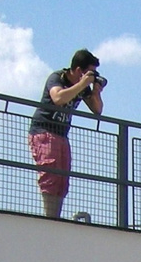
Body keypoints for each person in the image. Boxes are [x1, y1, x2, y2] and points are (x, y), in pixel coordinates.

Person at [28, 49, 106, 219]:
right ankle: (50, 217)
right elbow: (58, 98)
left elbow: (97, 110)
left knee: (62, 178)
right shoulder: (57, 78)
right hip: (44, 130)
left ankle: (55, 216)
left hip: (62, 134)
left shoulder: (82, 87)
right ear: (79, 70)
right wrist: (82, 84)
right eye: (89, 72)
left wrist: (95, 92)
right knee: (51, 173)